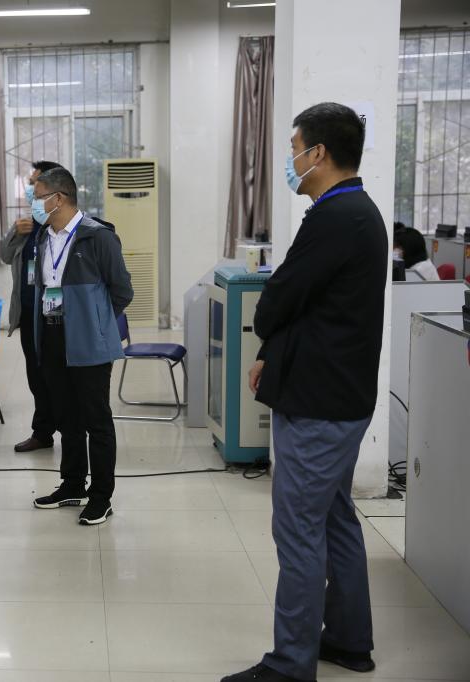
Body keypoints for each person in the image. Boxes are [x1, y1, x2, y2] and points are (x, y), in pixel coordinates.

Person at [224, 103, 388, 682]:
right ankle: (347, 639)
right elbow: (312, 302)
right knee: (335, 518)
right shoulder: (355, 212)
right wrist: (271, 353)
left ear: (318, 153)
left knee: (297, 529)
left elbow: (279, 297)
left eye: (295, 149)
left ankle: (289, 664)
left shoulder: (336, 216)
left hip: (319, 403)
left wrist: (266, 332)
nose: (291, 160)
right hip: (339, 395)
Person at [27, 167, 133, 526]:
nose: (33, 203)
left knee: (96, 420)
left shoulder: (97, 237)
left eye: (38, 196)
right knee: (66, 418)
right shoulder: (44, 238)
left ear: (58, 198)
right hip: (52, 336)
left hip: (89, 341)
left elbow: (122, 291)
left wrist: (96, 323)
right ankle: (72, 484)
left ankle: (101, 497)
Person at [0, 160, 64, 453]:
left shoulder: (63, 227)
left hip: (57, 317)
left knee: (59, 377)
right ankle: (42, 432)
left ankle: (71, 431)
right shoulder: (27, 226)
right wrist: (15, 231)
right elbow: (4, 255)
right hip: (29, 314)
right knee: (36, 376)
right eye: (30, 185)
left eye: (35, 184)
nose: (30, 190)